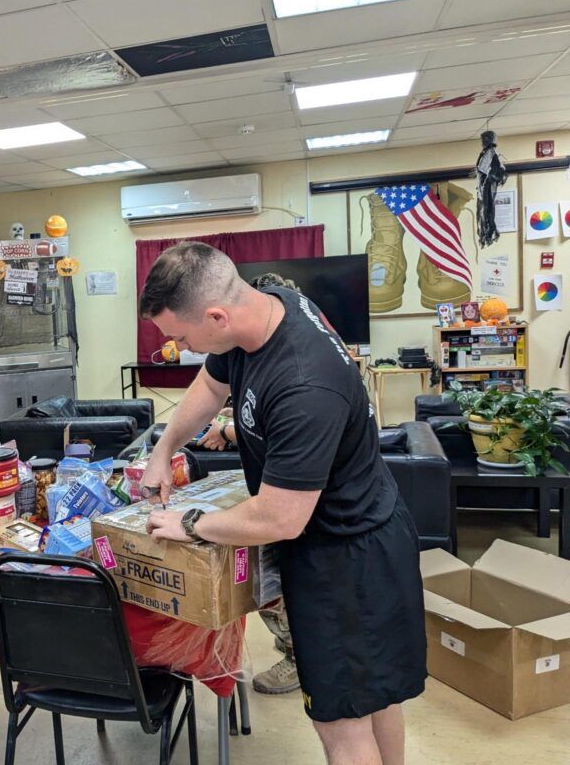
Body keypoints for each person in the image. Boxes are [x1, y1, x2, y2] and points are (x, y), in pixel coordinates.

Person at [139, 242, 425, 765]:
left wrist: (193, 522)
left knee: (340, 720)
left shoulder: (303, 383)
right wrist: (164, 448)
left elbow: (279, 518)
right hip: (357, 533)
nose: (181, 348)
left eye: (181, 337)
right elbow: (211, 383)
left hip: (347, 559)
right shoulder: (269, 305)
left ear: (217, 316)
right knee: (373, 695)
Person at [196, 271, 302, 695]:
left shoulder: (299, 364)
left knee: (272, 584)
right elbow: (213, 387)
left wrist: (225, 432)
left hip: (297, 498)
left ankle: (298, 658)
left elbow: (278, 426)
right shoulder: (246, 350)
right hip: (272, 485)